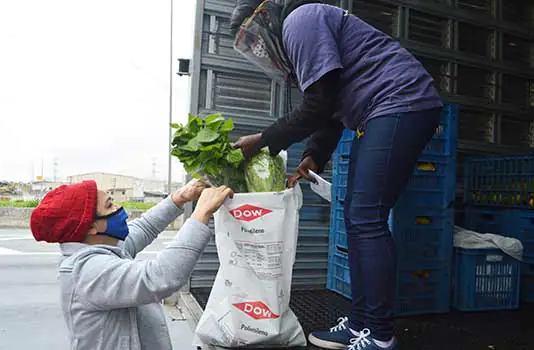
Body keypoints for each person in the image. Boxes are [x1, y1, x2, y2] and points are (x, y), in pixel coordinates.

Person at [230, 1, 444, 349]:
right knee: (357, 217)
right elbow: (329, 108)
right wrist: (315, 156)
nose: (258, 48)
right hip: (377, 112)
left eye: (254, 38)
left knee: (366, 217)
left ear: (265, 16)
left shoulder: (300, 21)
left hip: (399, 101)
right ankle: (360, 323)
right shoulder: (301, 33)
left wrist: (262, 141)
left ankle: (378, 334)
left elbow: (317, 106)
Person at [30, 179, 233, 350]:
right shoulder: (87, 270)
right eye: (109, 206)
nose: (119, 209)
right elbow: (161, 277)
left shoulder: (105, 245)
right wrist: (201, 214)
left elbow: (145, 226)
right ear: (91, 227)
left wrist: (179, 197)